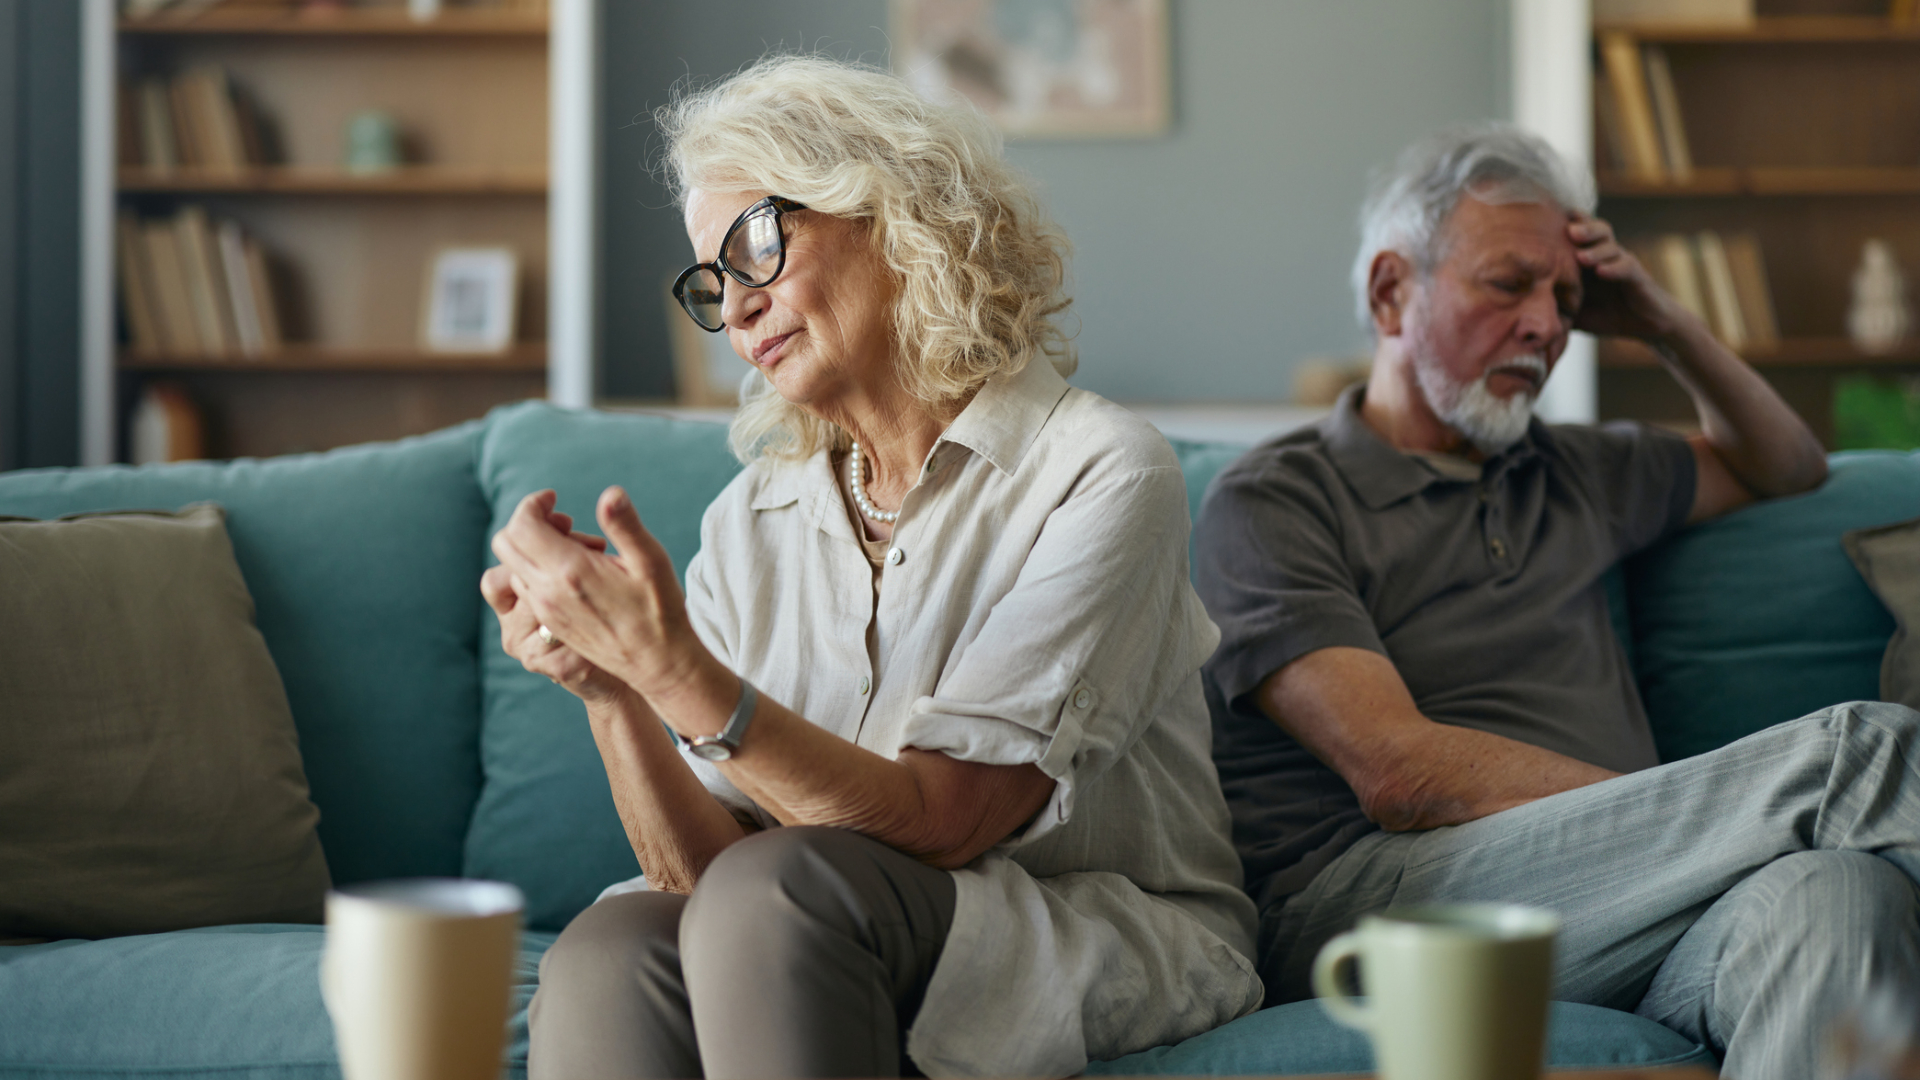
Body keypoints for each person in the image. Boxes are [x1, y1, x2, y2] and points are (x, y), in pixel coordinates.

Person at [483, 56, 1261, 1080]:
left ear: (895, 214)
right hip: (808, 926)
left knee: (783, 892)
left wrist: (677, 672)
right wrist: (612, 685)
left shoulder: (1099, 469)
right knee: (610, 950)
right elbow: (700, 883)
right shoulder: (750, 520)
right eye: (713, 284)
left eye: (757, 244)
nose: (738, 309)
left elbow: (947, 822)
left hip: (1088, 926)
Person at [1195, 124, 1920, 1080]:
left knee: (1840, 898)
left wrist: (1661, 320)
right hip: (1390, 906)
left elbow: (1786, 462)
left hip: (1637, 913)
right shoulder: (1279, 499)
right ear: (1389, 292)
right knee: (1859, 755)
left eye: (1569, 300)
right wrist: (1694, 820)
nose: (1545, 324)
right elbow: (1399, 772)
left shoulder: (1573, 472)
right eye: (1508, 284)